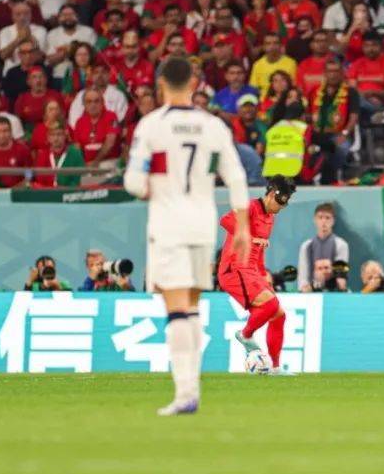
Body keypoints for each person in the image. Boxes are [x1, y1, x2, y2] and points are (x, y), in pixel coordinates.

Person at [123, 57, 250, 416]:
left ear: (161, 83)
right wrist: (242, 226)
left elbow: (133, 181)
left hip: (169, 225)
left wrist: (148, 188)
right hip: (202, 224)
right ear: (194, 84)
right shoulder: (212, 126)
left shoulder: (152, 125)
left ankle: (186, 393)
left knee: (176, 306)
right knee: (191, 305)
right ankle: (190, 389)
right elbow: (236, 177)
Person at [217, 176, 297, 375]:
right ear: (271, 195)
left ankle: (275, 368)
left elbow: (258, 250)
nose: (281, 207)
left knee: (279, 314)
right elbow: (225, 220)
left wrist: (263, 273)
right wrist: (249, 237)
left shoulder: (270, 218)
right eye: (281, 202)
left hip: (252, 271)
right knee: (270, 305)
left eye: (285, 204)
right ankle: (245, 335)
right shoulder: (250, 207)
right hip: (234, 269)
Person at [297, 203, 351, 292]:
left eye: (327, 218)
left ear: (333, 221)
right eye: (320, 217)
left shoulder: (341, 245)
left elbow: (341, 280)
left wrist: (328, 276)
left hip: (334, 292)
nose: (324, 222)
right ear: (315, 220)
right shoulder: (306, 246)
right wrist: (309, 287)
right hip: (311, 292)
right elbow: (303, 278)